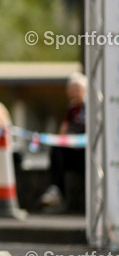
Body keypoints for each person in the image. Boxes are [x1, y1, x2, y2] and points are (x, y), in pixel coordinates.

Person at [41, 73, 87, 212]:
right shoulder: (72, 109)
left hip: (87, 153)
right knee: (57, 150)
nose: (73, 94)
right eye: (71, 90)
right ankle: (56, 189)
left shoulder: (91, 107)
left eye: (77, 89)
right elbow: (64, 129)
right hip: (73, 151)